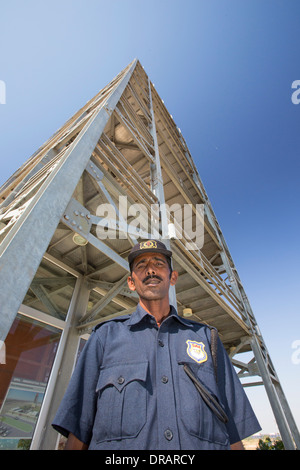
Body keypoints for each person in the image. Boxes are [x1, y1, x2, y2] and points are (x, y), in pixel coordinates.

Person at [52, 239, 261, 450]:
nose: (150, 270)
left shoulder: (208, 339)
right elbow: (78, 430)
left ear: (173, 277)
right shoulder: (104, 337)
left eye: (159, 263)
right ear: (131, 282)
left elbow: (233, 433)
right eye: (141, 266)